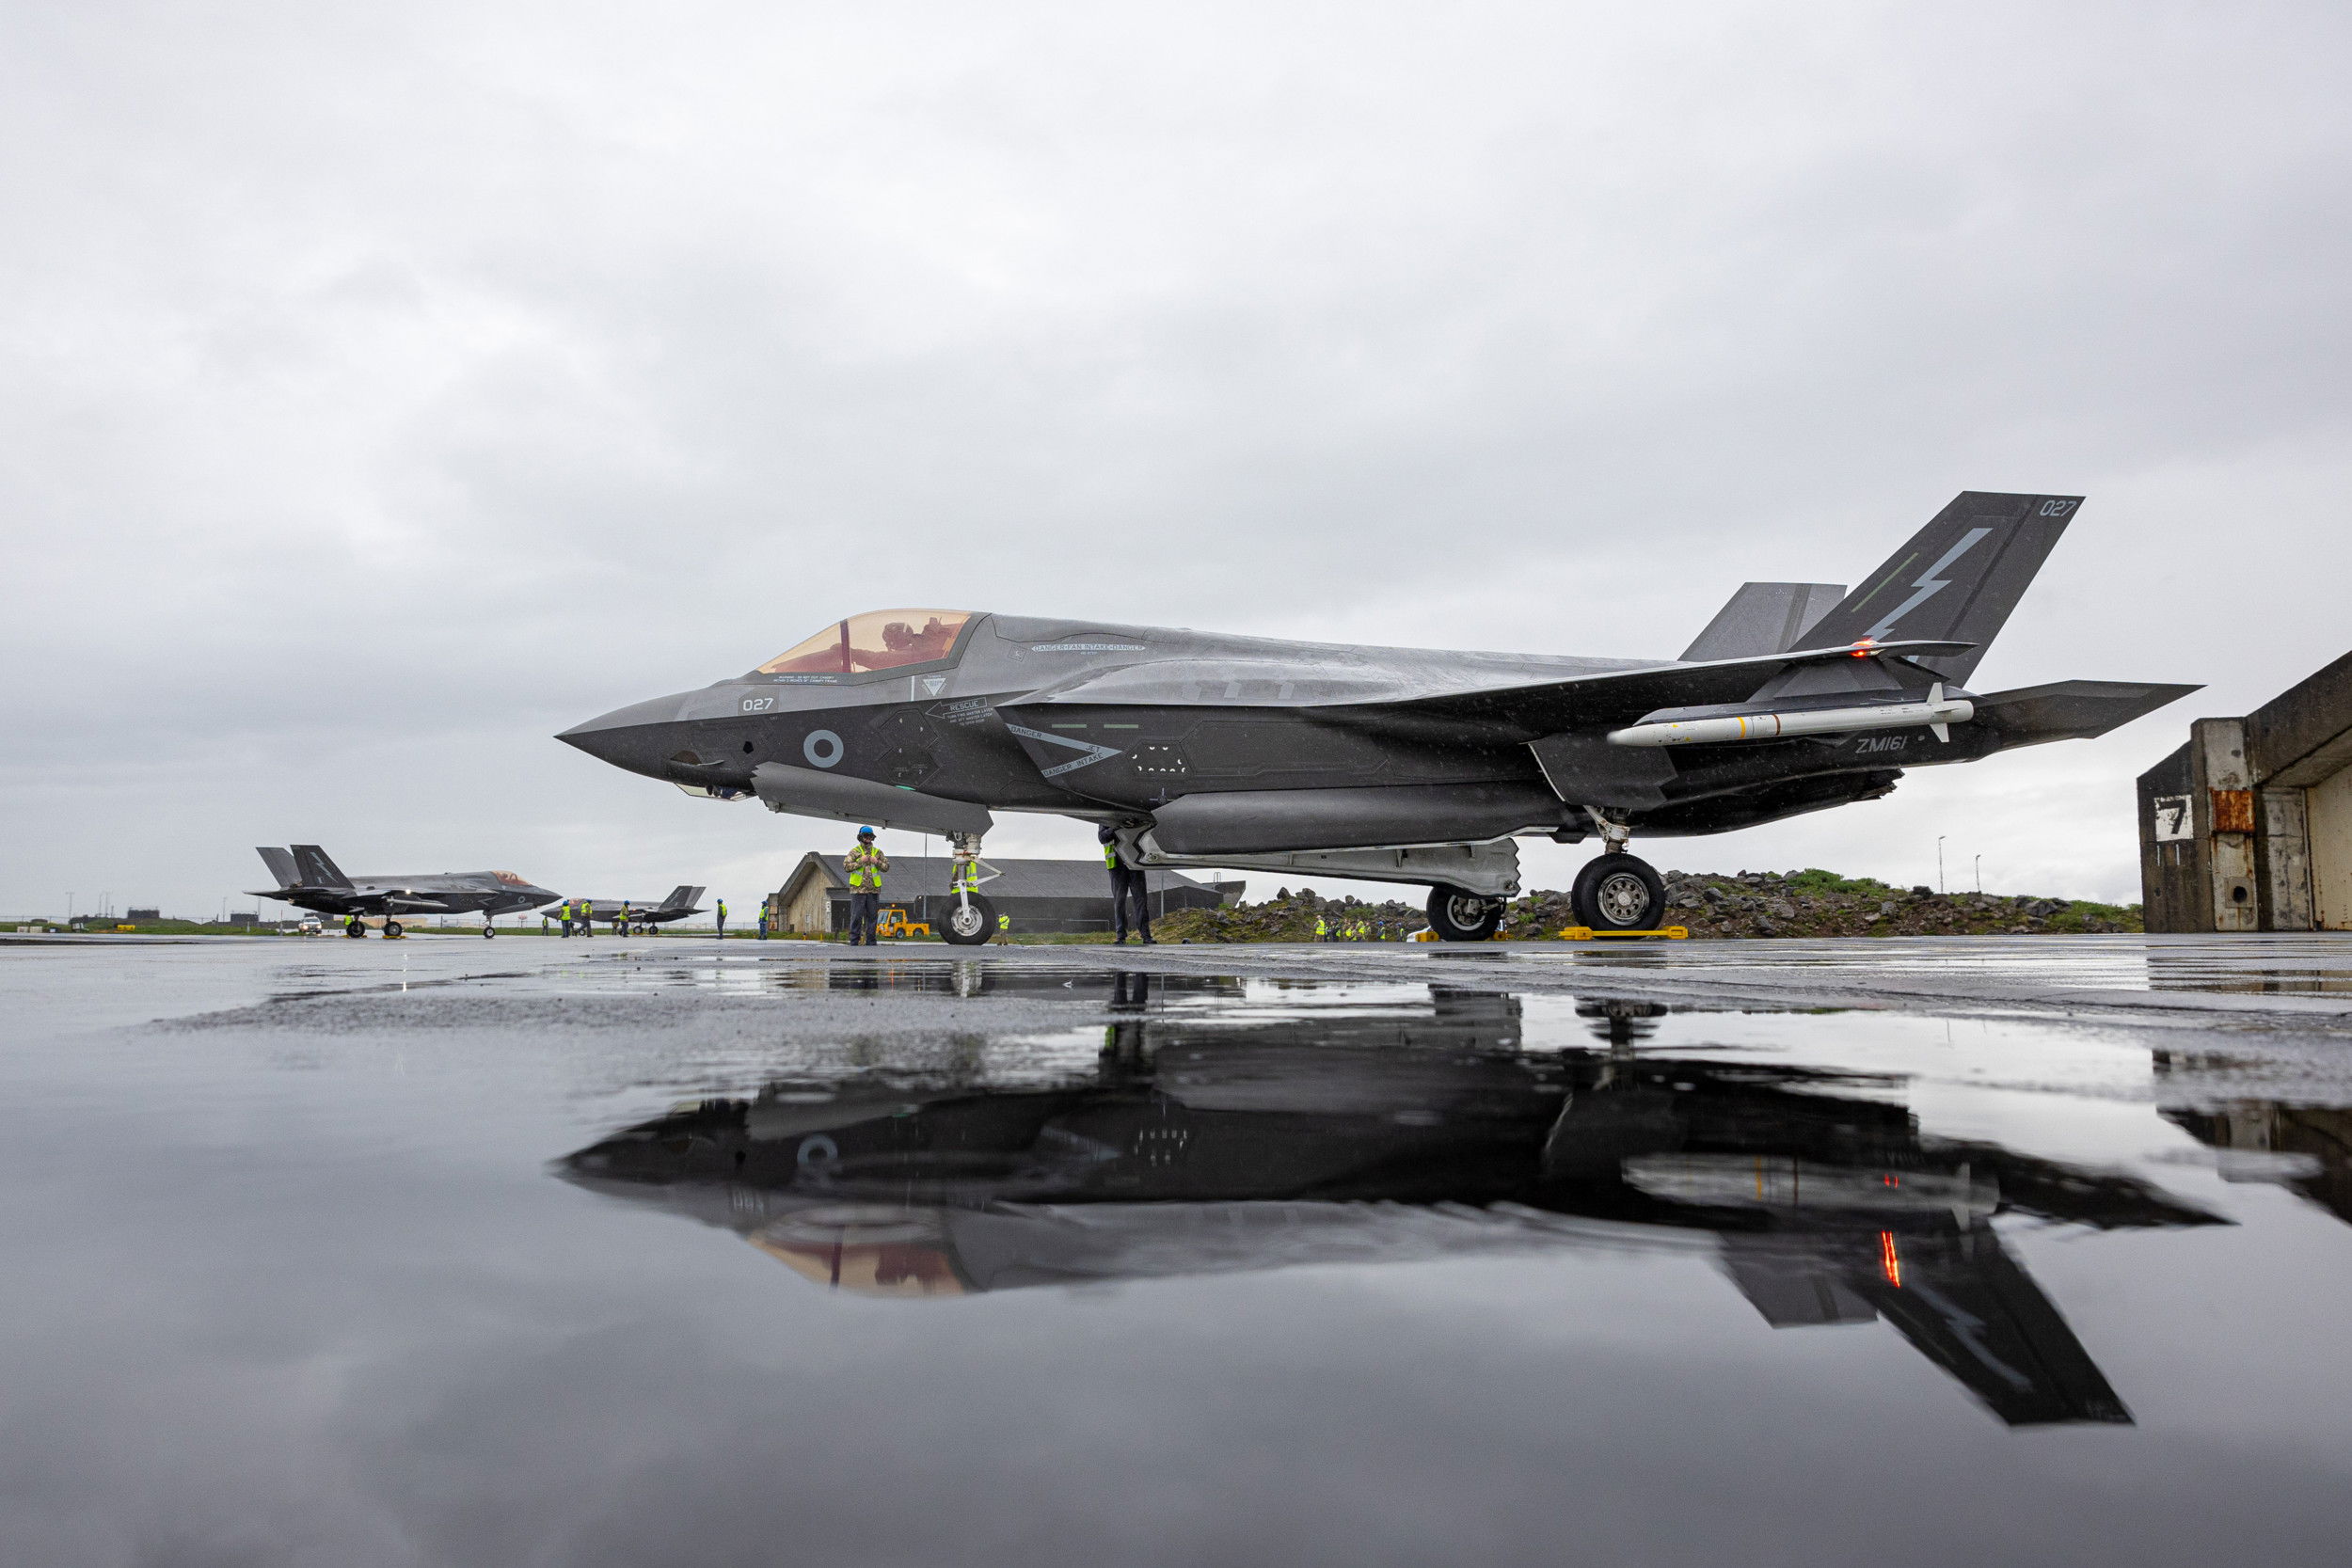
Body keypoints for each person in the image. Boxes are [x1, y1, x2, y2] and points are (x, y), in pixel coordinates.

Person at [1100, 826, 1152, 945]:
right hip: (1117, 866)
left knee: (1141, 901)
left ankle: (1146, 935)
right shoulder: (1107, 819)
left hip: (1135, 862)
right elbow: (1102, 838)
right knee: (1119, 901)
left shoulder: (1133, 817)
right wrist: (1116, 828)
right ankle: (1121, 936)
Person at [845, 828, 888, 946]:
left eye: (870, 836)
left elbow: (886, 867)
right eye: (866, 836)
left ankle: (871, 942)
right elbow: (846, 866)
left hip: (873, 890)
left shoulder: (877, 852)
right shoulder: (855, 852)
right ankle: (854, 941)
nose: (868, 838)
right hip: (858, 890)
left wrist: (877, 862)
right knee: (857, 916)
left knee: (872, 917)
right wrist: (860, 861)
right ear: (861, 837)